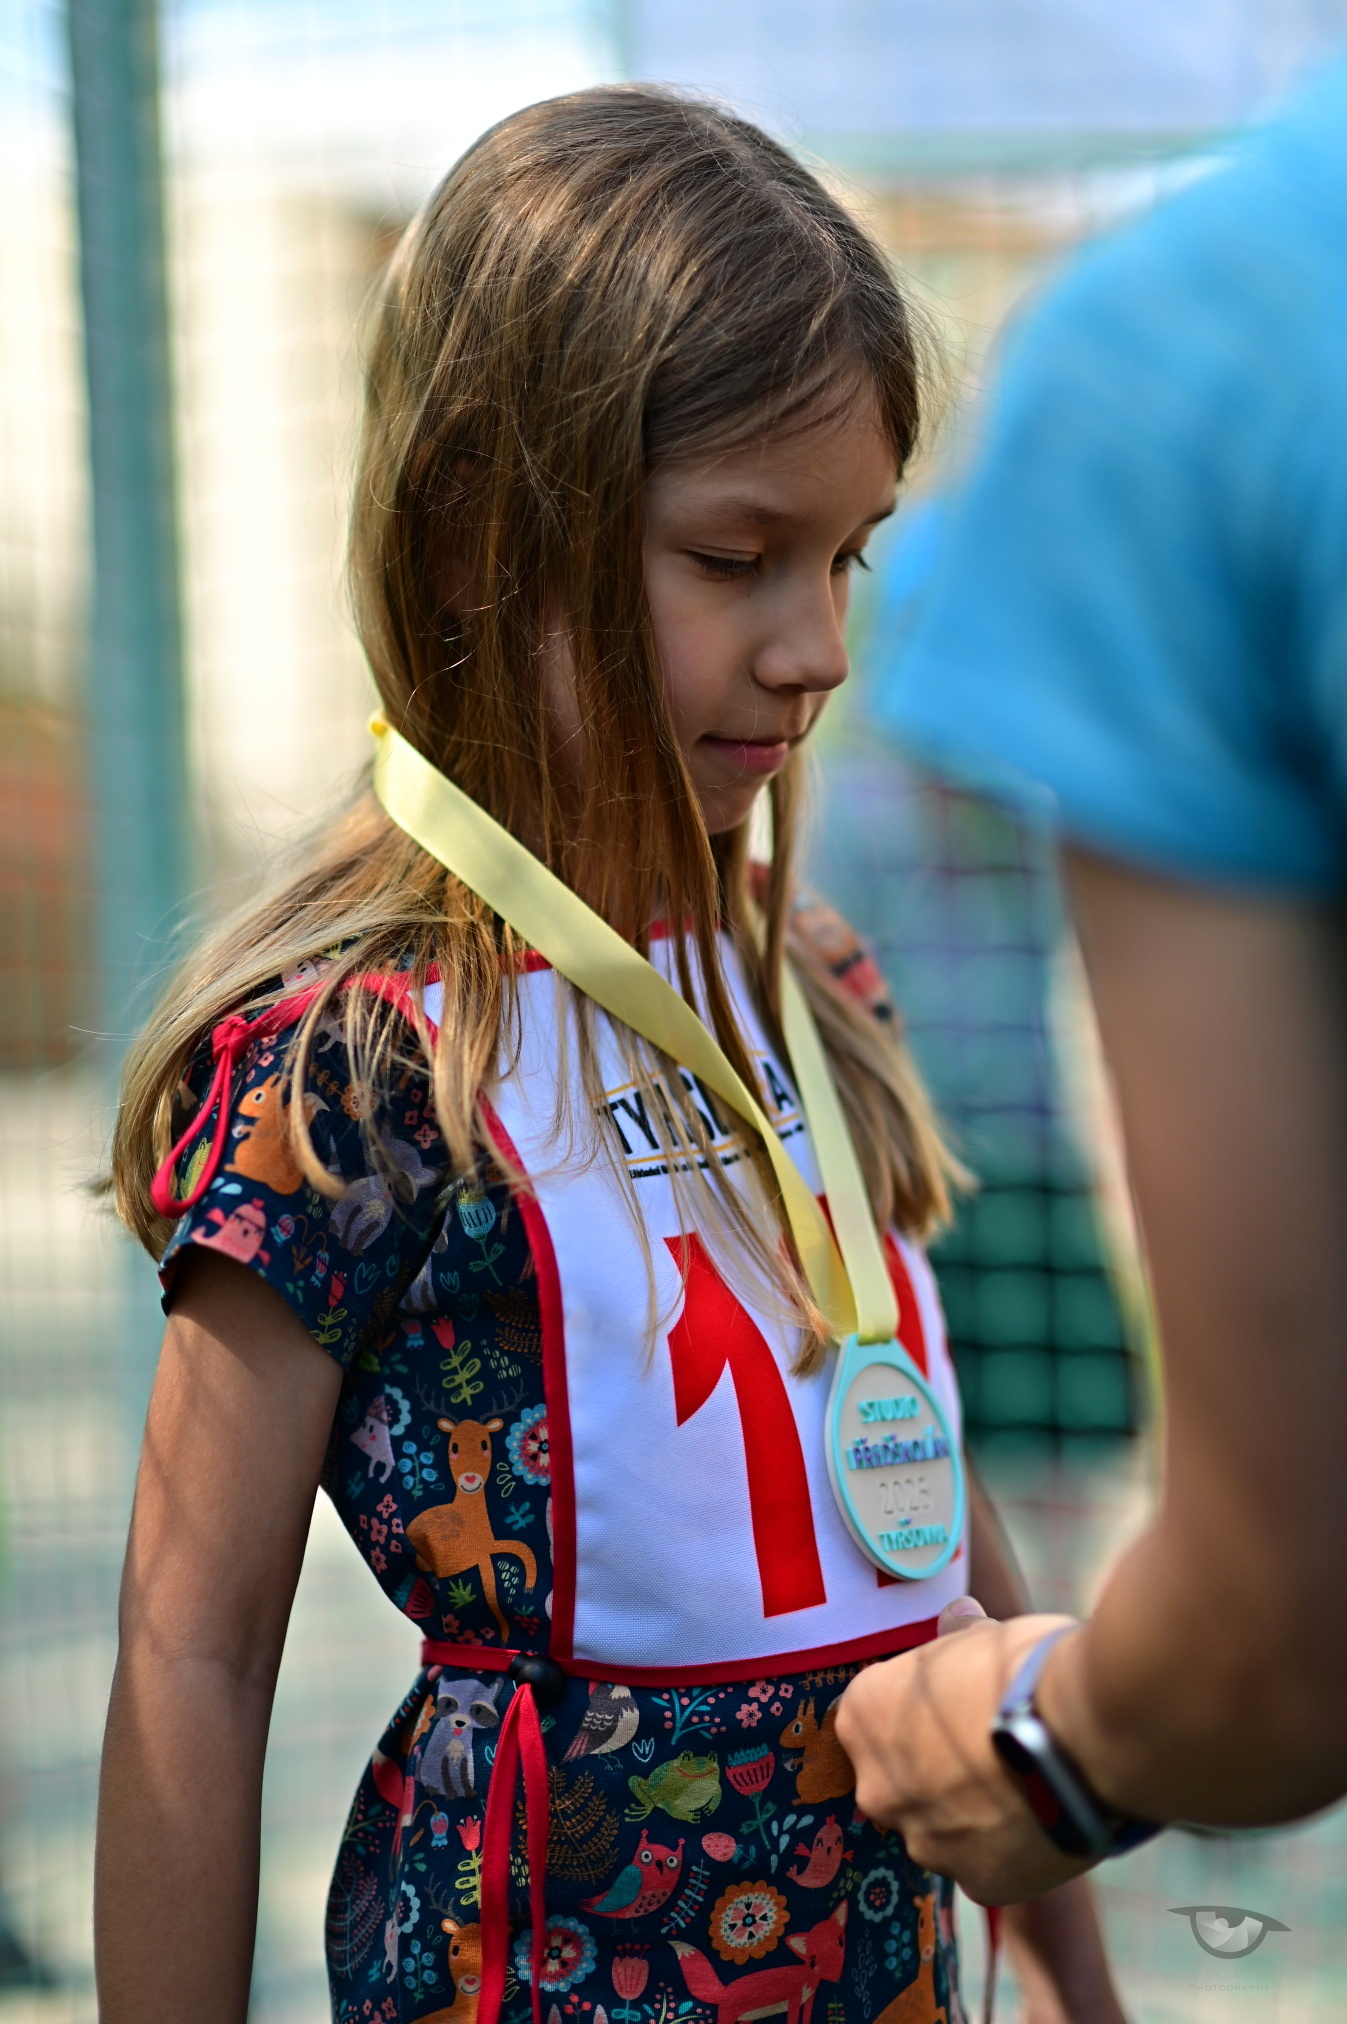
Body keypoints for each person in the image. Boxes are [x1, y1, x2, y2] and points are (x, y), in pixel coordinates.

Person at [93, 87, 1124, 2024]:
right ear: (482, 528)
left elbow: (918, 1508)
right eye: (735, 557)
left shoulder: (809, 985)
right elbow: (189, 1656)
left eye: (848, 557)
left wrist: (1075, 1978)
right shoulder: (350, 1067)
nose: (817, 646)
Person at [837, 53, 1347, 1907]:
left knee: (1059, 1460)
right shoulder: (864, 819)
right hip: (943, 1160)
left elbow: (1287, 1627)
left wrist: (1065, 1738)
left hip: (1031, 1157)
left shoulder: (1188, 354)